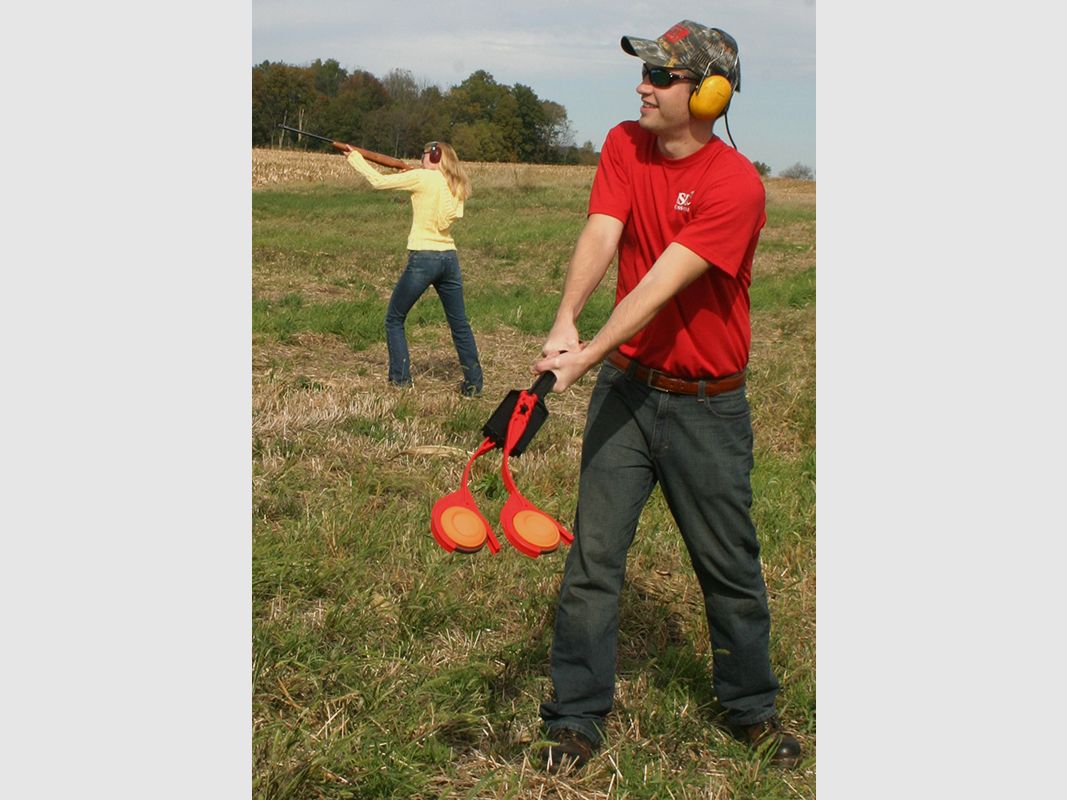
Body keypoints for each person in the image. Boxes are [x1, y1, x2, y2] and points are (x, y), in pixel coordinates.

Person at [531, 20, 802, 771]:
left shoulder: (734, 185)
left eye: (662, 76)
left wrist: (582, 358)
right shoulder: (624, 143)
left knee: (729, 568)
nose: (643, 86)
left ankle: (749, 707)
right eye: (644, 73)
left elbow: (657, 287)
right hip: (628, 389)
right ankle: (575, 718)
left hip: (706, 408)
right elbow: (601, 232)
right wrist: (564, 320)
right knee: (593, 559)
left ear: (709, 93)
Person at [339, 140, 483, 396]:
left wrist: (355, 158)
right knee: (460, 324)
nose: (420, 158)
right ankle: (474, 384)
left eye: (424, 154)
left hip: (423, 259)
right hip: (449, 258)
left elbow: (378, 182)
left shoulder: (422, 178)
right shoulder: (455, 184)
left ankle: (401, 381)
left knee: (394, 319)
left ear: (436, 156)